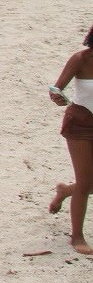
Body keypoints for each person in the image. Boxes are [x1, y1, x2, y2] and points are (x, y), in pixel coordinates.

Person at [48, 24, 93, 254]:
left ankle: (66, 190)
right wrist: (57, 96)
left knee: (89, 184)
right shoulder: (80, 59)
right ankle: (77, 237)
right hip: (80, 124)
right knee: (85, 183)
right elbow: (56, 87)